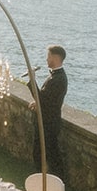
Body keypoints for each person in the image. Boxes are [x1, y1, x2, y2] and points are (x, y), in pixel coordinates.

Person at [33, 43, 67, 180]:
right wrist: (37, 103)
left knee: (49, 154)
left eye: (48, 56)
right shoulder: (56, 77)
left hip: (49, 123)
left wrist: (32, 79)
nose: (46, 59)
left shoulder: (58, 79)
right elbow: (47, 99)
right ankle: (41, 179)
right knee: (42, 153)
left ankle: (56, 181)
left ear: (55, 58)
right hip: (47, 121)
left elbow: (42, 98)